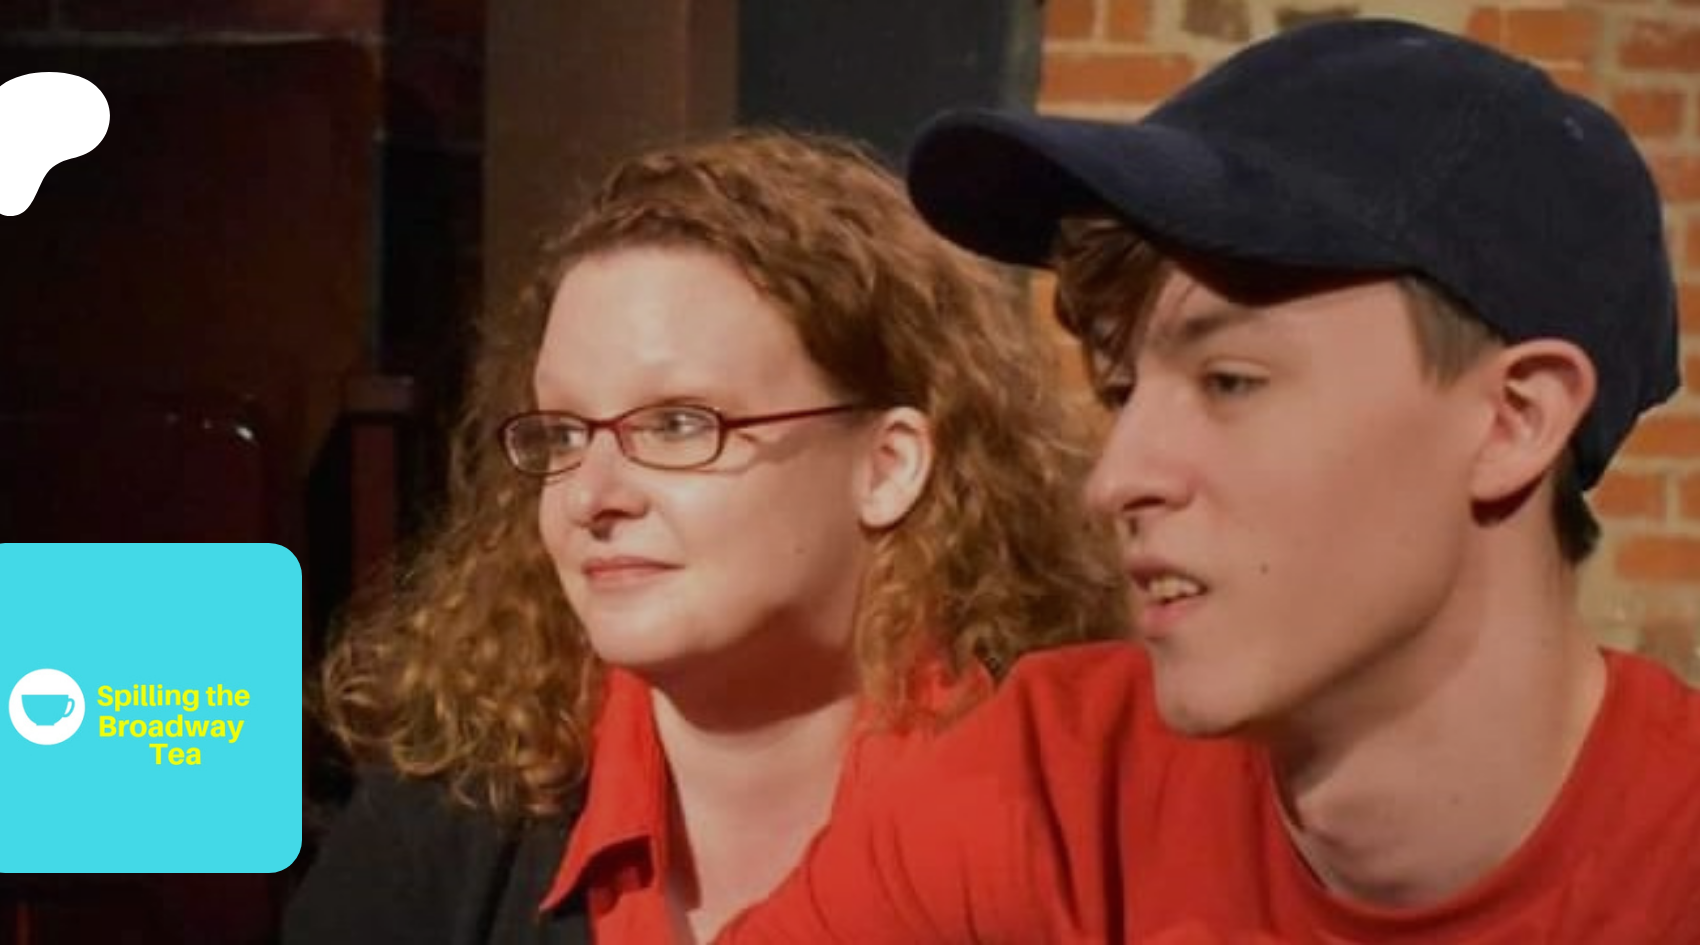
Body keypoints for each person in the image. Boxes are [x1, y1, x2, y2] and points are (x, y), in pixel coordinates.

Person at [716, 18, 1700, 944]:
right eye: (1123, 393)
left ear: (1514, 419)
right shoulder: (1059, 789)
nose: (1116, 480)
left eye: (1231, 382)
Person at [281, 129, 1125, 944]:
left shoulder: (1067, 813)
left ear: (888, 464)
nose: (592, 495)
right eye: (564, 433)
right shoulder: (446, 826)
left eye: (679, 424)